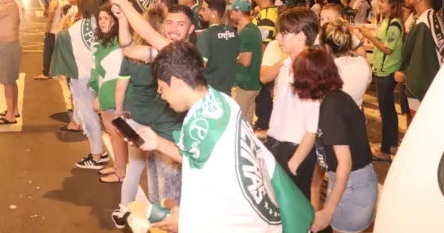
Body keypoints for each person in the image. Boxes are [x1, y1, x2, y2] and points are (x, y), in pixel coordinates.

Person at [131, 42, 314, 232]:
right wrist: (157, 142)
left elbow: (210, 202)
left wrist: (185, 223)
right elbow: (199, 160)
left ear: (177, 82)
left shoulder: (197, 128)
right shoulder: (221, 101)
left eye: (161, 88)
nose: (161, 95)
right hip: (265, 216)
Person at [287, 48, 378, 233]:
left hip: (352, 185)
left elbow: (345, 162)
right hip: (352, 183)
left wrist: (328, 210)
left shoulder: (332, 107)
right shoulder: (335, 99)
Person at [110, 7, 185, 227]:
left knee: (135, 167)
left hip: (137, 118)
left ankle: (124, 208)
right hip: (160, 122)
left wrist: (118, 112)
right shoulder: (163, 57)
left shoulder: (133, 58)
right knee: (165, 185)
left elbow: (120, 88)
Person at [261, 8, 321, 201]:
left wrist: (294, 163)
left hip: (295, 150)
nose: (278, 38)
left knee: (293, 210)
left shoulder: (310, 70)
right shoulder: (288, 63)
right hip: (279, 145)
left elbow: (313, 127)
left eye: (284, 33)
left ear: (301, 35)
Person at [51, 0, 109, 169]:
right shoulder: (102, 22)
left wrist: (64, 20)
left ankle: (97, 156)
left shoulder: (75, 27)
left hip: (83, 77)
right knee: (104, 116)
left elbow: (58, 37)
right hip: (101, 75)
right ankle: (101, 152)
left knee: (89, 116)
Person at [352, 0, 404, 162]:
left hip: (387, 72)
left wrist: (368, 37)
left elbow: (387, 49)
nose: (379, 3)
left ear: (392, 5)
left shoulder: (395, 25)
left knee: (386, 112)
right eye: (379, 0)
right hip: (382, 71)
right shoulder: (387, 21)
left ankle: (385, 150)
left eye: (383, 1)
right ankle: (391, 145)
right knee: (388, 112)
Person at [395, 0, 444, 118]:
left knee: (419, 124)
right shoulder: (428, 19)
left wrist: (406, 73)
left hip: (424, 87)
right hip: (427, 85)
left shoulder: (426, 23)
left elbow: (423, 57)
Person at [90, 4, 125, 182]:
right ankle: (118, 167)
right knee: (115, 133)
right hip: (109, 92)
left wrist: (99, 96)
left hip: (112, 94)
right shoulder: (107, 41)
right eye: (100, 18)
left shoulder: (116, 42)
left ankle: (120, 172)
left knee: (115, 133)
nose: (102, 22)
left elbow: (113, 75)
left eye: (106, 18)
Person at [320, 19, 371, 109]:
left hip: (333, 119)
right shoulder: (364, 63)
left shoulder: (325, 70)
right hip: (356, 117)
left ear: (327, 48)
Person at [196, 0, 239, 96]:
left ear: (213, 14)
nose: (200, 12)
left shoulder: (206, 35)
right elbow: (236, 60)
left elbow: (200, 66)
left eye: (203, 9)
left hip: (210, 91)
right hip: (227, 91)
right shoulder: (233, 33)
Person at [230, 0, 263, 122]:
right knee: (247, 121)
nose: (231, 15)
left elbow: (245, 60)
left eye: (232, 12)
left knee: (236, 120)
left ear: (238, 12)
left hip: (245, 83)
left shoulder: (247, 32)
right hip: (254, 82)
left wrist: (233, 57)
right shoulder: (254, 29)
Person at [252, 0, 279, 134]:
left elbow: (264, 43)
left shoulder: (267, 16)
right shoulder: (269, 12)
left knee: (264, 95)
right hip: (269, 62)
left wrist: (260, 66)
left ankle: (263, 122)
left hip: (265, 62)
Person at [36, 0, 68, 80]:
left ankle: (45, 73)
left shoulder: (54, 3)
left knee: (48, 52)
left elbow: (50, 18)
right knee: (61, 53)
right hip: (63, 31)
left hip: (53, 31)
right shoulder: (66, 1)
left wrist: (47, 31)